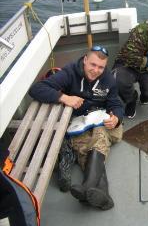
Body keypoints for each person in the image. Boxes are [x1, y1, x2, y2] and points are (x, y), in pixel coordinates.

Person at [29, 46, 124, 210]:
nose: (96, 70)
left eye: (101, 67)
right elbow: (37, 89)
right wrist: (64, 97)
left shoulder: (108, 79)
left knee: (100, 134)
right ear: (85, 60)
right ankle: (104, 197)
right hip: (81, 123)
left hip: (105, 123)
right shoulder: (70, 72)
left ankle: (87, 186)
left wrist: (116, 118)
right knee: (83, 147)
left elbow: (116, 103)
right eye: (93, 65)